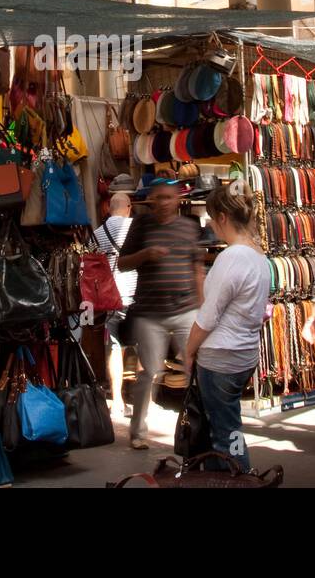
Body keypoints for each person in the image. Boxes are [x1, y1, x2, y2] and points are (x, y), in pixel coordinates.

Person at [183, 185, 270, 472]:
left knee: (224, 435)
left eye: (210, 217)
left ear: (222, 217)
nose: (208, 224)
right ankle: (234, 473)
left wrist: (188, 351)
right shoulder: (258, 257)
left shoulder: (231, 258)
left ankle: (239, 476)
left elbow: (208, 316)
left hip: (221, 359)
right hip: (243, 355)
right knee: (228, 428)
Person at [117, 180, 206, 449]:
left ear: (177, 200)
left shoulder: (189, 227)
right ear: (151, 200)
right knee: (149, 372)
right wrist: (145, 254)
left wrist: (203, 309)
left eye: (168, 198)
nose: (164, 203)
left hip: (186, 310)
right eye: (159, 198)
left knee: (196, 370)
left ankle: (202, 427)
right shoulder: (141, 225)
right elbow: (121, 264)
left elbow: (198, 269)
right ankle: (138, 432)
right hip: (149, 313)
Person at [92, 192, 135, 415]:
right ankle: (143, 396)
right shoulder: (135, 228)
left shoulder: (98, 233)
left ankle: (118, 400)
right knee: (142, 345)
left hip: (111, 297)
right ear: (129, 207)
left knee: (115, 348)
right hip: (135, 294)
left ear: (109, 208)